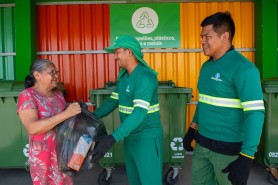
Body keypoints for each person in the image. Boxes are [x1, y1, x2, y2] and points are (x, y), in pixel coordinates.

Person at [182, 12, 265, 185]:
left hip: (228, 151)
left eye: (207, 36)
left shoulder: (244, 70)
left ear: (225, 36)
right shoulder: (206, 67)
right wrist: (191, 130)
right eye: (201, 36)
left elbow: (255, 115)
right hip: (202, 146)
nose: (202, 41)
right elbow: (204, 102)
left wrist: (247, 156)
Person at [90, 35, 164, 185]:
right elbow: (113, 101)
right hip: (130, 137)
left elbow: (139, 113)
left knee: (150, 182)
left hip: (146, 139)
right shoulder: (124, 77)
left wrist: (112, 138)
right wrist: (91, 116)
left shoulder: (145, 77)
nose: (115, 57)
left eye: (117, 52)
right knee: (135, 180)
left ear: (129, 52)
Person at [17, 59, 81, 185]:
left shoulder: (58, 95)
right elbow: (32, 127)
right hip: (43, 157)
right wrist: (67, 113)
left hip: (62, 154)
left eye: (56, 72)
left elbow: (64, 122)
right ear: (37, 75)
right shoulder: (27, 96)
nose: (56, 76)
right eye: (52, 73)